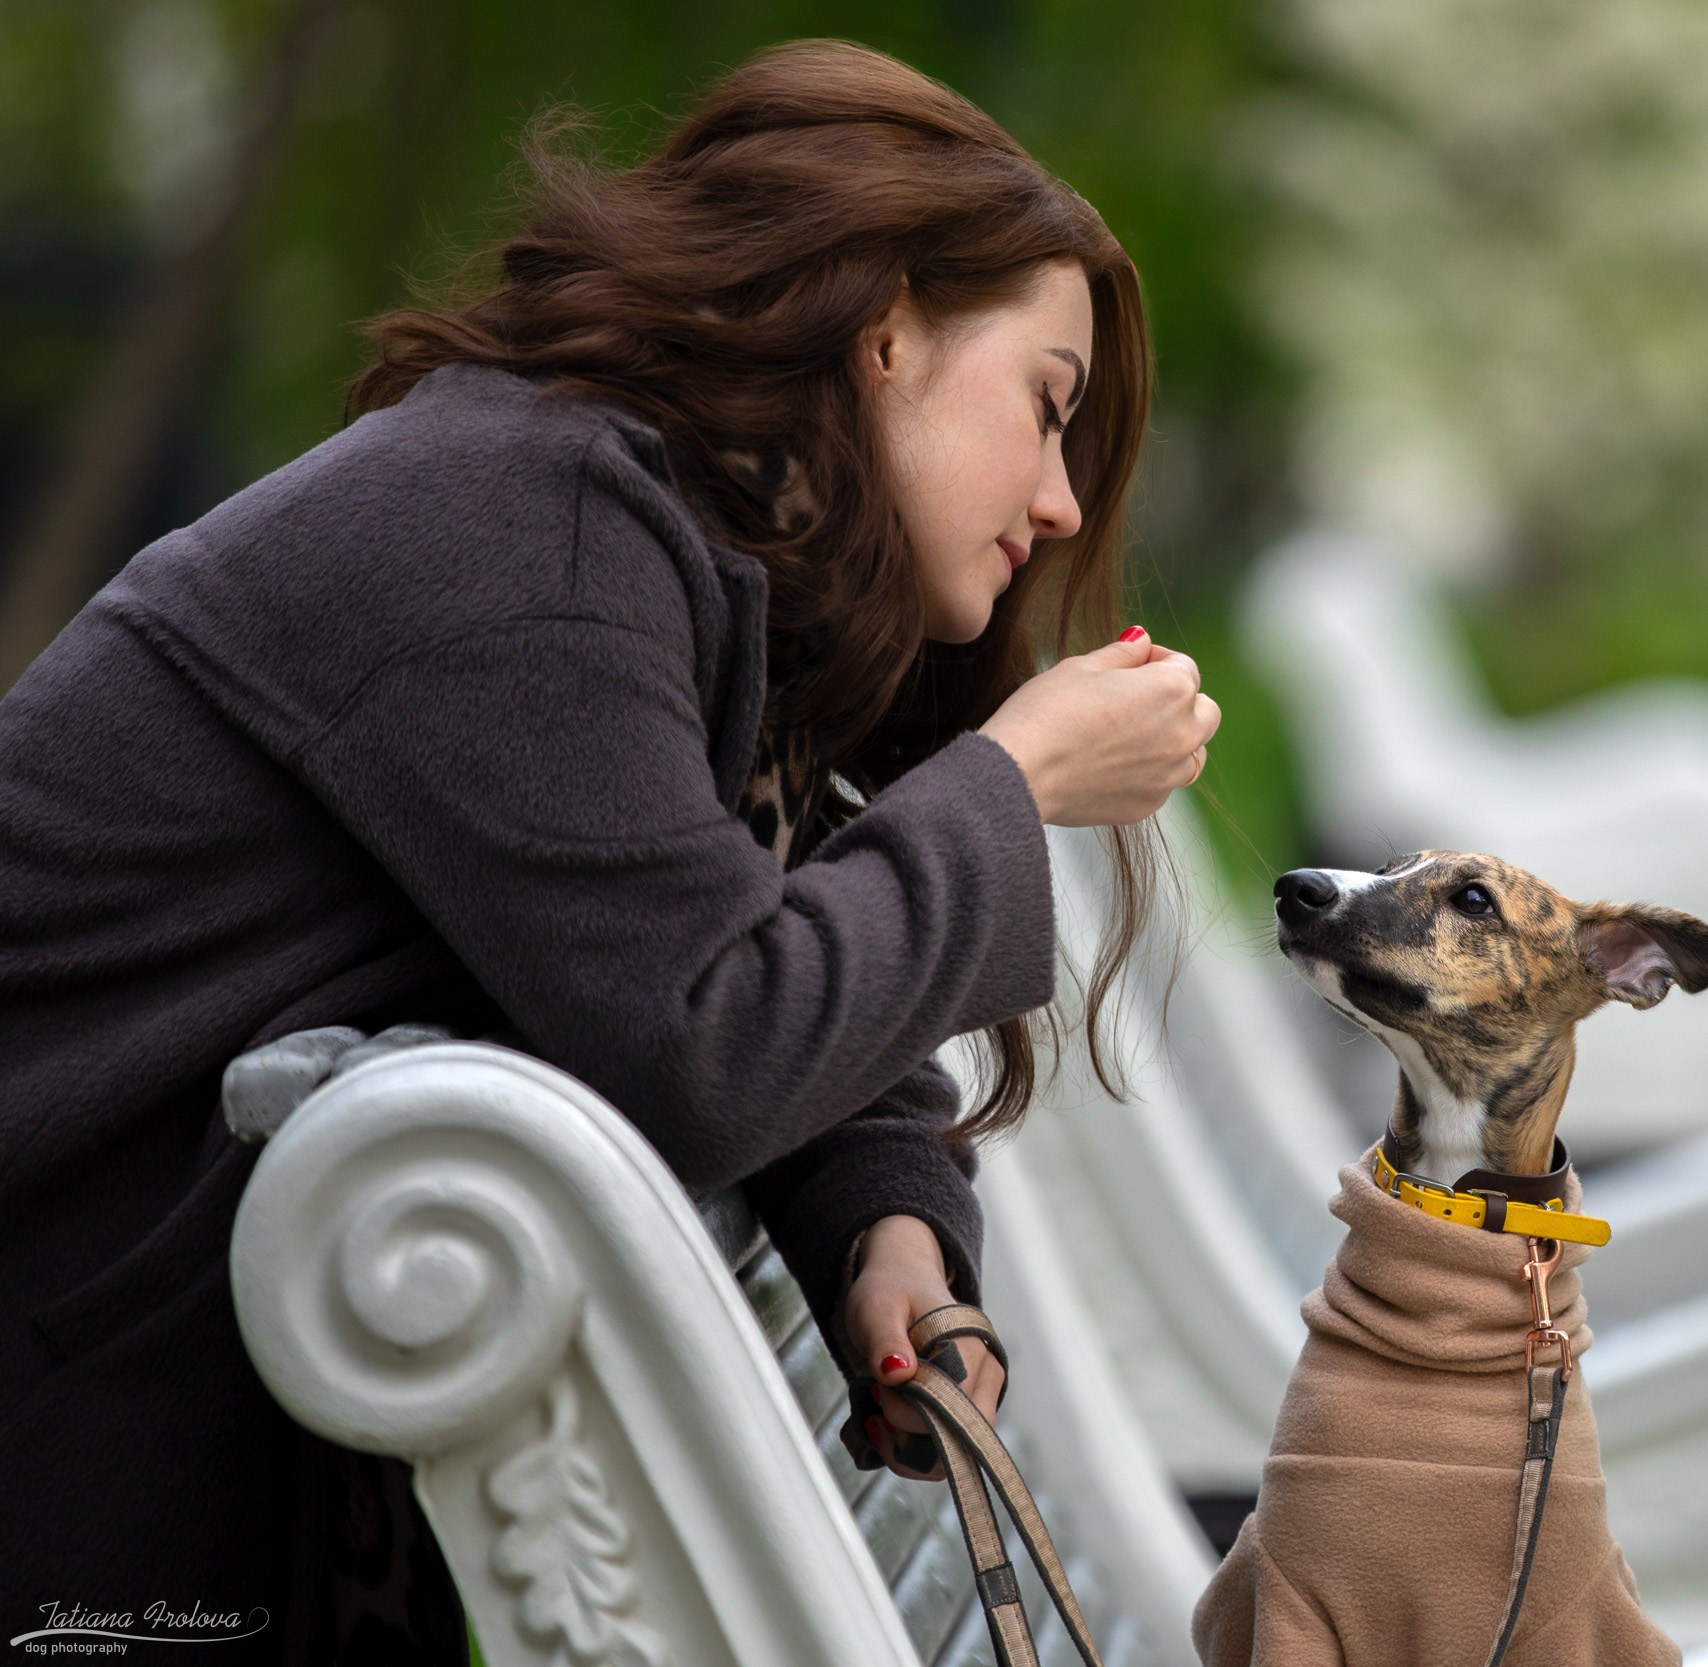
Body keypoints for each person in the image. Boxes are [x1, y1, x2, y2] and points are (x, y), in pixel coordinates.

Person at [0, 39, 1216, 1664]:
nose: (1061, 502)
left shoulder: (651, 541)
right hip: (66, 1433)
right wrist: (1015, 775)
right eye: (1047, 407)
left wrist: (888, 1231)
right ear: (885, 335)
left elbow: (731, 934)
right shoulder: (527, 526)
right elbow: (706, 1039)